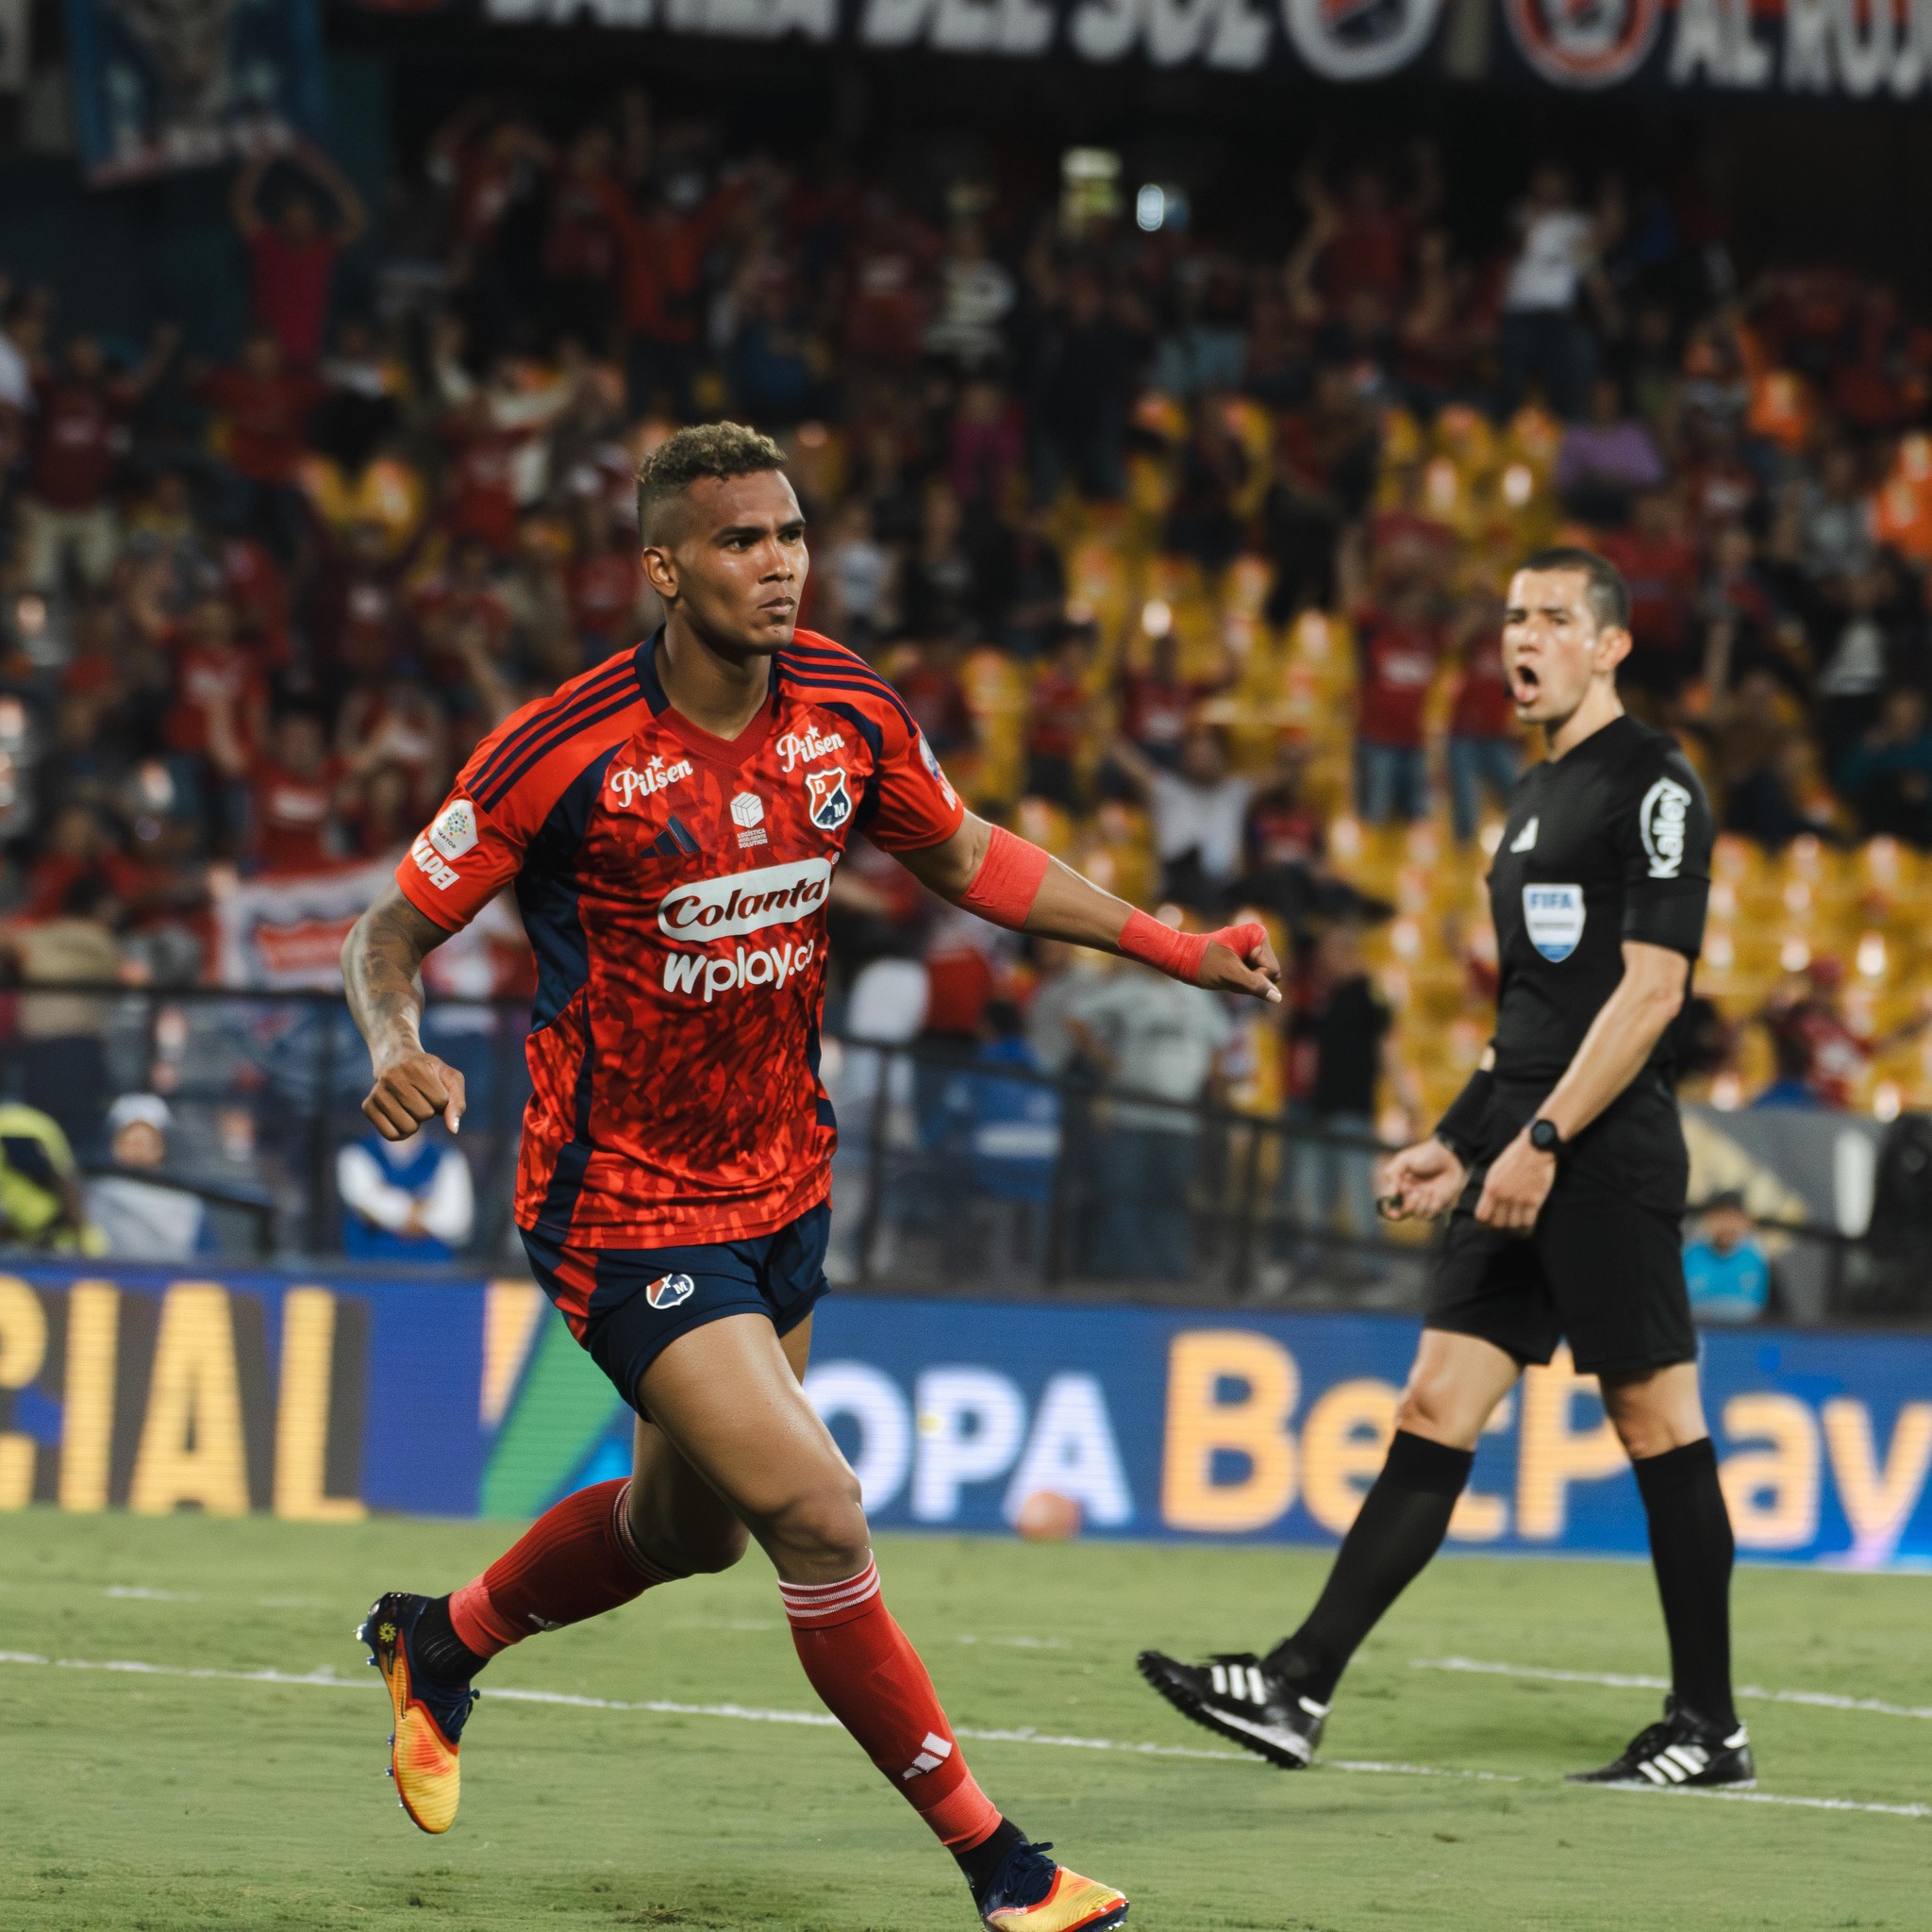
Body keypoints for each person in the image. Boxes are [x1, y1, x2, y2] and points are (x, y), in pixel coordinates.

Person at [341, 421, 1282, 1929]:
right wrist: (396, 1037)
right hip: (622, 1202)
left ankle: (441, 1640)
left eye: (788, 535)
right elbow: (387, 927)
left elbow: (973, 858)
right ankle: (1005, 1868)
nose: (777, 564)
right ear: (662, 567)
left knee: (682, 1533)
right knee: (822, 1518)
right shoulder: (566, 745)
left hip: (783, 1182)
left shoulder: (845, 709)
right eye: (737, 541)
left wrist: (1178, 948)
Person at [1141, 548, 1757, 1795]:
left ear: (1610, 644)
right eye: (1512, 618)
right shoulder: (1531, 802)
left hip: (1601, 1150)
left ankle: (1709, 1728)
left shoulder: (1655, 785)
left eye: (1552, 619)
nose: (1522, 639)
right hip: (1518, 1152)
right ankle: (1298, 1686)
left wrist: (1540, 1143)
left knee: (1653, 1419)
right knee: (1435, 1405)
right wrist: (1460, 1136)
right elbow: (1530, 1012)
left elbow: (1653, 994)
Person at [85, 1093, 213, 1261]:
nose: (138, 1147)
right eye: (130, 1139)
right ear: (115, 1145)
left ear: (162, 1145)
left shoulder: (187, 1201)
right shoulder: (92, 1196)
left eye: (146, 1140)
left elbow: (209, 1261)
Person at [338, 1121, 475, 1261]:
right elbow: (365, 1202)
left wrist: (390, 1205)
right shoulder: (356, 1154)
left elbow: (455, 1223)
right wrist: (423, 1209)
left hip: (433, 1276)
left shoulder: (448, 1157)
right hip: (366, 1275)